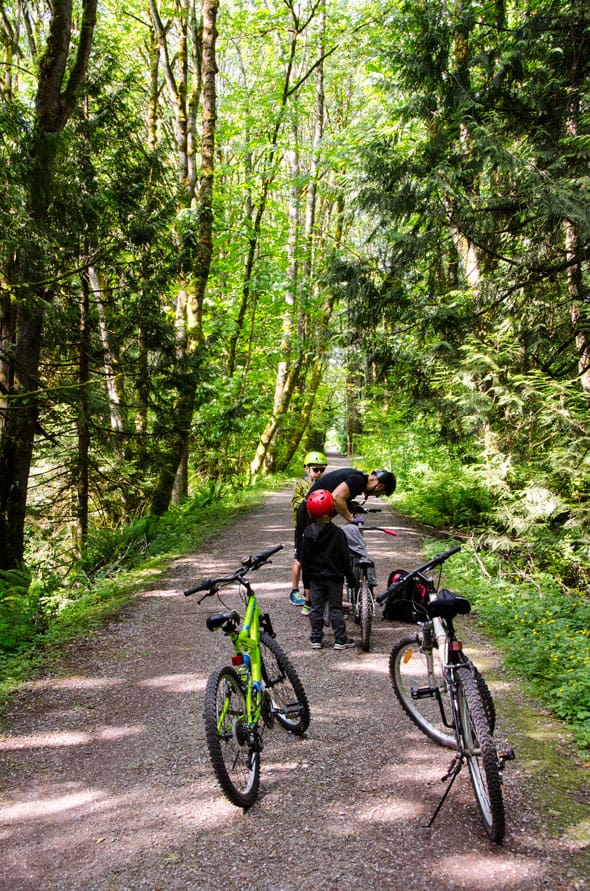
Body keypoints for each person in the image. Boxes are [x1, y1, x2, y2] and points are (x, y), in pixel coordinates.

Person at [294, 466, 396, 614]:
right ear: (379, 485)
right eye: (380, 494)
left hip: (310, 511)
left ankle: (313, 601)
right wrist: (351, 519)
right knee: (312, 556)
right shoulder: (358, 481)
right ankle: (311, 603)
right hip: (311, 514)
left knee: (311, 554)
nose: (377, 496)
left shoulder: (357, 477)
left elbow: (337, 496)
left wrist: (349, 507)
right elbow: (336, 498)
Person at [300, 489, 357, 650]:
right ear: (331, 510)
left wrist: (306, 583)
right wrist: (351, 579)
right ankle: (340, 639)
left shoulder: (308, 533)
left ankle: (316, 638)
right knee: (335, 608)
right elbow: (345, 559)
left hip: (315, 577)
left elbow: (305, 560)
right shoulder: (338, 533)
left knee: (316, 608)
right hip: (335, 578)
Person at [288, 451, 327, 606]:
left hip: (319, 526)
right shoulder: (300, 484)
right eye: (315, 469)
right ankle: (294, 590)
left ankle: (313, 589)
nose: (318, 473)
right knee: (300, 559)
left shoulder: (325, 484)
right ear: (307, 469)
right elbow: (294, 502)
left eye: (321, 470)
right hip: (302, 527)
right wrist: (309, 501)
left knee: (318, 558)